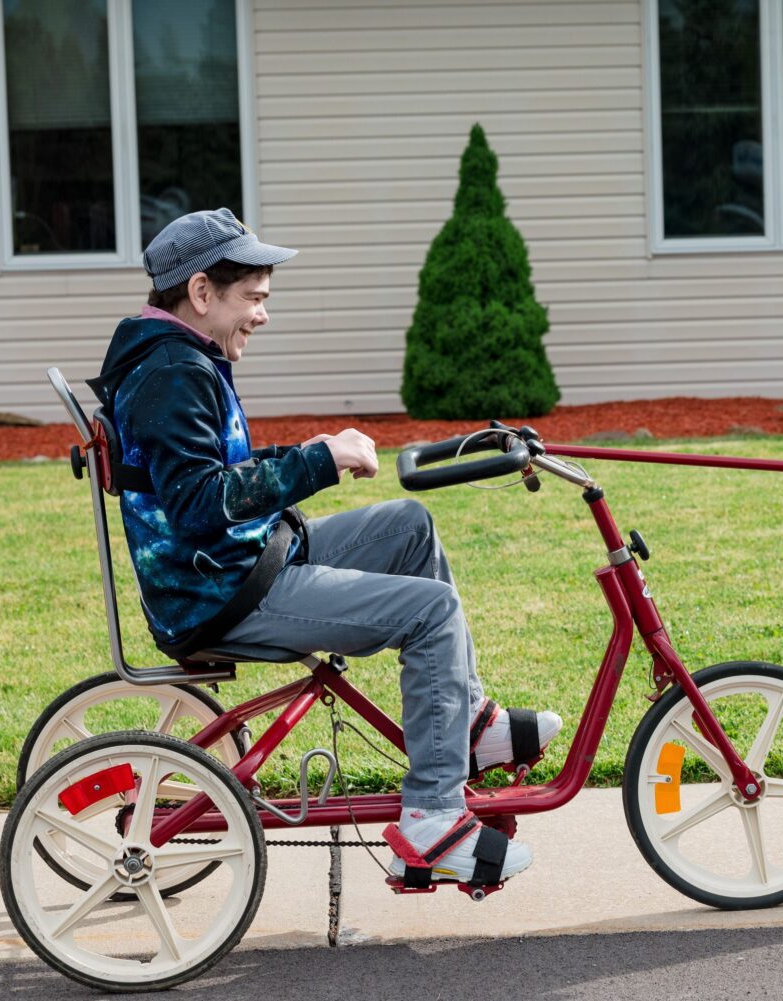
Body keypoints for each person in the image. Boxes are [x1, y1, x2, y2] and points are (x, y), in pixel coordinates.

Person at [86, 208, 561, 885]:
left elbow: (209, 482)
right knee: (431, 612)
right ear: (199, 292)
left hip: (239, 564)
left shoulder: (175, 357)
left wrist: (314, 454)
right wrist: (319, 460)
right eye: (253, 298)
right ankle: (432, 819)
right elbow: (198, 504)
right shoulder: (172, 374)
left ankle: (469, 725)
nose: (262, 316)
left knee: (407, 524)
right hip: (226, 593)